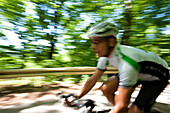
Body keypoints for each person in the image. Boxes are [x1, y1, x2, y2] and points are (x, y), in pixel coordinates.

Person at [68, 22, 169, 113]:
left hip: (158, 77)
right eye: (92, 42)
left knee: (132, 110)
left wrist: (120, 108)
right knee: (106, 88)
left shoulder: (127, 64)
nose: (92, 46)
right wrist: (77, 96)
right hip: (140, 70)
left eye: (96, 42)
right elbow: (93, 79)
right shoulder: (105, 56)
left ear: (111, 42)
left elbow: (121, 104)